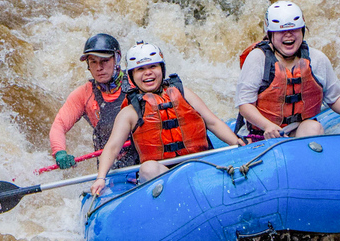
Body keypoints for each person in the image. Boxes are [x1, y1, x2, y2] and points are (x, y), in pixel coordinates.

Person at [90, 42, 246, 196]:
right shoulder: (130, 112)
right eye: (140, 69)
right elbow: (112, 147)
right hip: (164, 175)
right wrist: (100, 177)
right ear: (131, 75)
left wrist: (237, 143)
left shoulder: (183, 93)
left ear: (162, 69)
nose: (148, 73)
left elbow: (213, 122)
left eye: (153, 67)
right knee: (147, 168)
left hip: (199, 166)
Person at [236, 0, 340, 140]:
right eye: (281, 31)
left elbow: (334, 97)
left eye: (294, 30)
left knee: (313, 127)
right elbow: (245, 104)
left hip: (298, 130)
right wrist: (267, 126)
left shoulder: (317, 59)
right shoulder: (258, 58)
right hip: (262, 134)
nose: (288, 35)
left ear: (302, 30)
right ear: (270, 34)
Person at [48, 33, 139, 169]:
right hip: (110, 168)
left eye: (104, 61)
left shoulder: (137, 82)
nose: (99, 68)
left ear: (117, 58)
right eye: (93, 62)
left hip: (144, 160)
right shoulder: (84, 94)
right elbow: (58, 126)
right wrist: (60, 152)